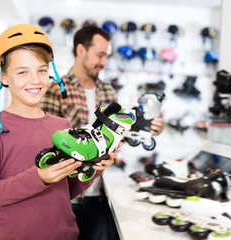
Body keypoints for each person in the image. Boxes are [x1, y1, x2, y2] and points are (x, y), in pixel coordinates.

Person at [0, 24, 117, 240]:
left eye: (42, 70)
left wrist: (94, 168)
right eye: (22, 72)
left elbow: (65, 191)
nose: (35, 80)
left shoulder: (62, 126)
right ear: (2, 76)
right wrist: (38, 177)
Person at [41, 26, 166, 240]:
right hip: (67, 196)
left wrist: (144, 130)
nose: (104, 62)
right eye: (100, 55)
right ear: (81, 50)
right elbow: (46, 141)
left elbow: (114, 139)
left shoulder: (108, 91)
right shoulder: (55, 90)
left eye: (106, 56)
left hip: (99, 191)